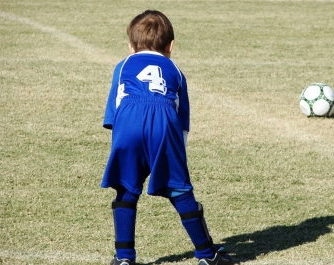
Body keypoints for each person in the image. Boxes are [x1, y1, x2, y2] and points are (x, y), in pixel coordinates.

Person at [101, 10, 235, 265]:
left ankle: (124, 258)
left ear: (131, 46)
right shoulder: (175, 70)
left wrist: (122, 145)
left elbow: (113, 113)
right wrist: (176, 154)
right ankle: (207, 256)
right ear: (171, 46)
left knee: (127, 188)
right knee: (179, 188)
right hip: (164, 126)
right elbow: (181, 118)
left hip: (127, 124)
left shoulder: (123, 66)